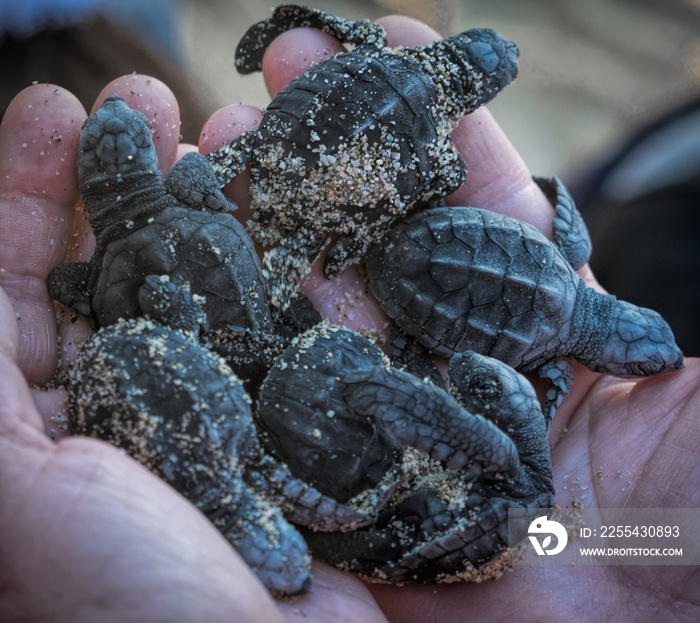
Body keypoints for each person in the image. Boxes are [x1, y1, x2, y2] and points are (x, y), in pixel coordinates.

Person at [0, 15, 697, 623]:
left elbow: (563, 503)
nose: (670, 374)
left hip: (382, 374)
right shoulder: (539, 486)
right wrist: (651, 542)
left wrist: (651, 545)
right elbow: (577, 517)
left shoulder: (533, 469)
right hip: (378, 392)